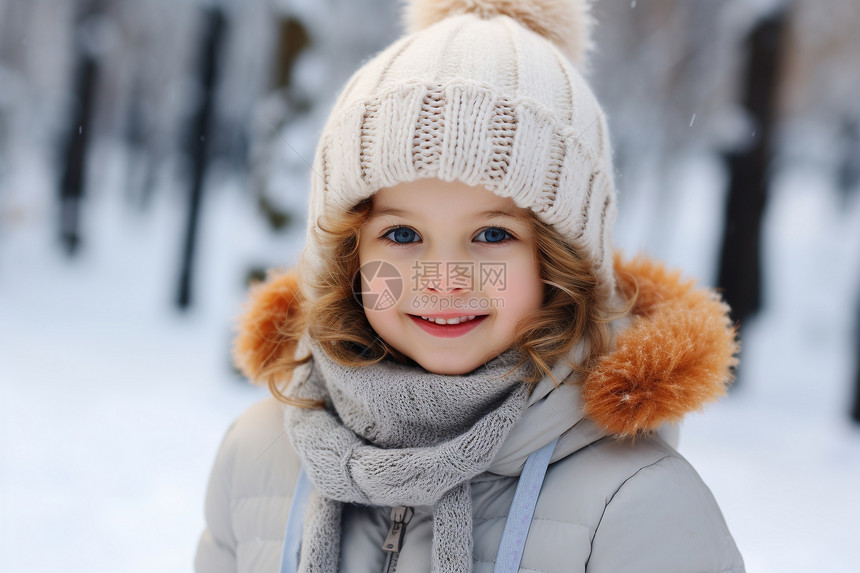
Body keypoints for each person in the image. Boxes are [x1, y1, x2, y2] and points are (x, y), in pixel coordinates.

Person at [194, 1, 745, 571]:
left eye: (491, 233)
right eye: (403, 233)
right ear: (347, 258)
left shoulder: (636, 506)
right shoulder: (257, 458)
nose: (447, 279)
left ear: (560, 263)